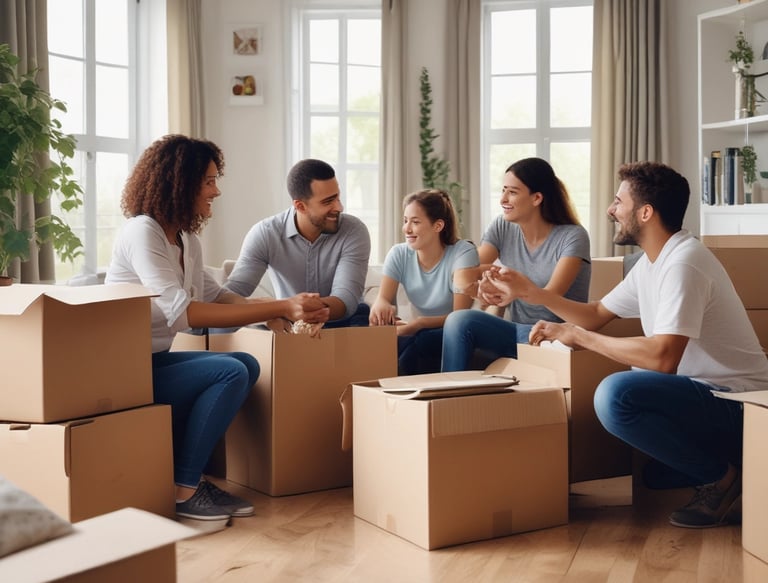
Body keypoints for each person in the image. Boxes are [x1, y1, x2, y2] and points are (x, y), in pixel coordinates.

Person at [484, 161, 768, 529]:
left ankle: (722, 478)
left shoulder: (684, 264)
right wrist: (533, 293)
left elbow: (663, 357)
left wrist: (581, 337)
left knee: (616, 394)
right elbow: (597, 312)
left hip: (737, 404)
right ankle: (724, 465)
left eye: (619, 202)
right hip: (703, 395)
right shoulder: (652, 264)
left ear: (646, 213)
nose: (611, 210)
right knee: (655, 474)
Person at [105, 135, 329, 529]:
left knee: (243, 363)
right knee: (231, 369)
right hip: (123, 372)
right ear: (181, 182)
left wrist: (270, 314)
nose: (216, 190)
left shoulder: (185, 240)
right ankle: (186, 491)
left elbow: (219, 296)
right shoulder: (143, 232)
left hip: (152, 363)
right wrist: (279, 305)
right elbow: (184, 314)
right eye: (208, 181)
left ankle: (189, 482)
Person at [441, 157, 591, 371]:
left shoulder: (573, 237)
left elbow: (550, 296)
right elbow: (468, 271)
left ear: (537, 198)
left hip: (555, 335)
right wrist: (485, 284)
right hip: (517, 331)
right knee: (458, 321)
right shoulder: (503, 226)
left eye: (512, 192)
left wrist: (514, 288)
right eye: (503, 190)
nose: (503, 199)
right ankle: (448, 396)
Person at [223, 158, 371, 328]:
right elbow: (234, 292)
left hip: (343, 321)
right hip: (290, 324)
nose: (339, 207)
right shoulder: (265, 233)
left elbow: (346, 298)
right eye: (328, 201)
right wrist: (275, 311)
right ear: (300, 206)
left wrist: (299, 309)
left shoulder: (354, 230)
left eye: (337, 197)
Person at [369, 189, 478, 374]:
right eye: (405, 221)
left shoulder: (463, 253)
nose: (406, 228)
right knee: (402, 340)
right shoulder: (399, 253)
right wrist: (380, 306)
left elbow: (458, 317)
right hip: (422, 332)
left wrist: (419, 323)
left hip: (458, 331)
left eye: (415, 222)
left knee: (421, 340)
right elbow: (383, 298)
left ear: (438, 226)